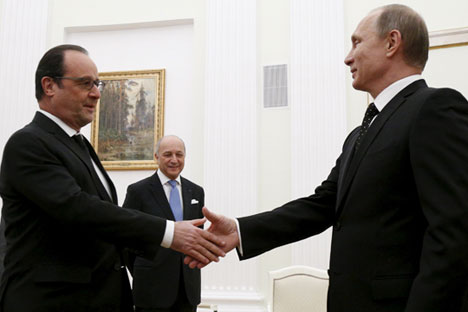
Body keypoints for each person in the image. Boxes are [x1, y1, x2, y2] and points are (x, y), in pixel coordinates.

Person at [186, 4, 468, 312]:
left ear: (391, 42)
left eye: (357, 42)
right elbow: (321, 206)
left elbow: (454, 232)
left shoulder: (436, 108)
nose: (348, 57)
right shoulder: (361, 132)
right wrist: (240, 230)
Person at [0, 44, 225, 312]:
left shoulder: (79, 144)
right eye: (85, 83)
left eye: (98, 84)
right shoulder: (28, 143)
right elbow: (79, 209)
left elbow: (106, 222)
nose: (96, 94)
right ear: (49, 86)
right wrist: (168, 231)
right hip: (53, 301)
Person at [124, 135, 204, 312]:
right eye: (168, 154)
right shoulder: (138, 191)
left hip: (188, 289)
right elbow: (126, 239)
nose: (174, 160)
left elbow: (198, 239)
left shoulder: (196, 192)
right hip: (151, 289)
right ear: (156, 157)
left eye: (179, 154)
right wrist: (142, 271)